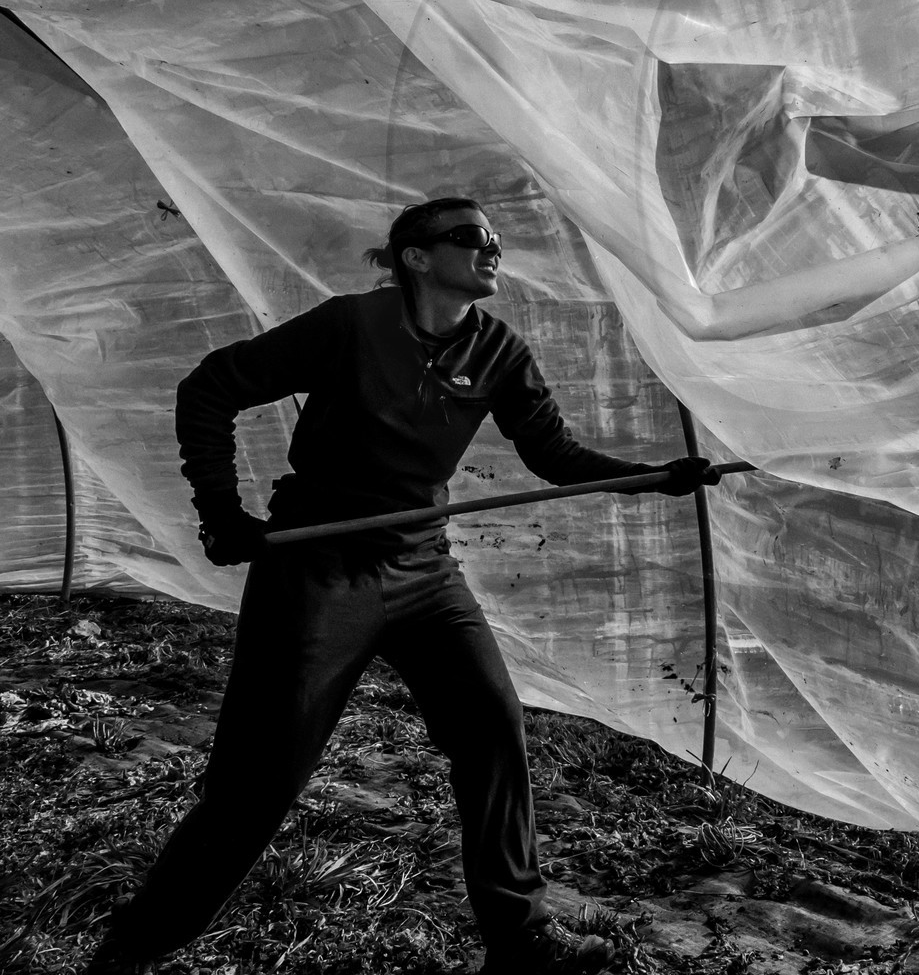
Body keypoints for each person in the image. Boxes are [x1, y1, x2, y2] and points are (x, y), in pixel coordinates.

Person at [86, 196, 719, 975]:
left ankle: (518, 937)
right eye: (470, 239)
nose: (492, 252)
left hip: (423, 569)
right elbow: (211, 388)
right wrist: (221, 510)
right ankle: (134, 946)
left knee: (492, 729)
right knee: (260, 779)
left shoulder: (499, 351)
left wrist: (652, 478)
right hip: (319, 571)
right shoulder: (350, 325)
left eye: (495, 241)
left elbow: (553, 454)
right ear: (416, 257)